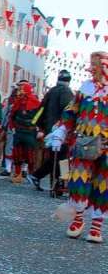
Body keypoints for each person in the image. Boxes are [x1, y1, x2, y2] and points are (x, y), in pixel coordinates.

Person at [45, 52, 108, 243]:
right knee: (78, 181)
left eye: (97, 64)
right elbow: (71, 111)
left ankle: (97, 226)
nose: (93, 68)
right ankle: (78, 219)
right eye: (92, 64)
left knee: (103, 185)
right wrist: (61, 131)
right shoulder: (85, 88)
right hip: (83, 141)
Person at [28, 70, 74, 190]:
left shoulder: (51, 91)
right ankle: (58, 184)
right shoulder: (66, 92)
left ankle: (43, 178)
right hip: (60, 129)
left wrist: (38, 125)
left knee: (56, 157)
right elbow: (68, 111)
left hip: (50, 128)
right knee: (61, 157)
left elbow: (41, 109)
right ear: (69, 81)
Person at [7, 80, 41, 183]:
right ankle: (18, 174)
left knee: (29, 154)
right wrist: (12, 127)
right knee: (17, 154)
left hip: (30, 131)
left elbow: (40, 117)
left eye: (22, 89)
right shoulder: (17, 102)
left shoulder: (35, 103)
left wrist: (39, 128)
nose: (20, 91)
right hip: (19, 131)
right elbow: (12, 116)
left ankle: (31, 174)